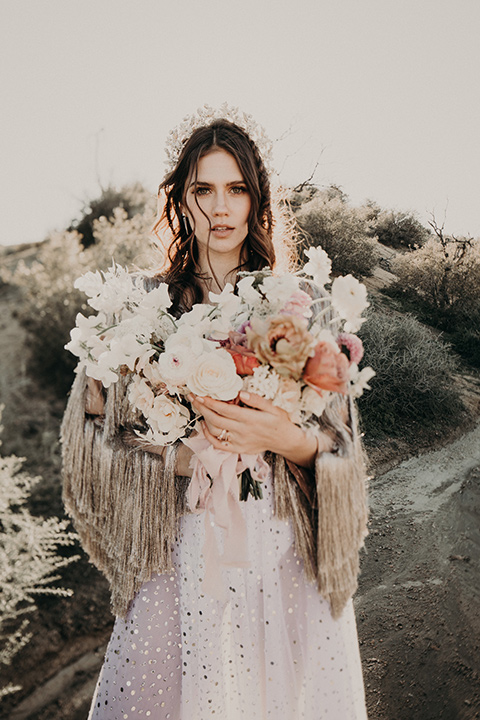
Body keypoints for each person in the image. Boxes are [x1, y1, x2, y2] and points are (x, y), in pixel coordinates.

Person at [61, 106, 369, 719]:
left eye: (236, 189)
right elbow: (91, 439)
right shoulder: (139, 310)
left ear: (257, 201)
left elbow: (342, 449)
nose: (220, 208)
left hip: (284, 553)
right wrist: (175, 457)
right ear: (181, 198)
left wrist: (284, 435)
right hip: (179, 553)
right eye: (203, 189)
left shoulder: (301, 306)